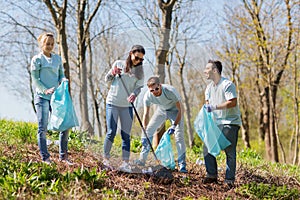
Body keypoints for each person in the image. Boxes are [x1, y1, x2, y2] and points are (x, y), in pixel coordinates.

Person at [31, 32, 72, 165]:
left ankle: (63, 157)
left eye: (52, 44)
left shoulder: (57, 59)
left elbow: (60, 74)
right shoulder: (37, 60)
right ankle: (45, 157)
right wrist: (45, 90)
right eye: (47, 44)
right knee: (42, 127)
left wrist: (63, 79)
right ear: (42, 44)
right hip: (42, 97)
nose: (49, 46)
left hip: (56, 97)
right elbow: (35, 80)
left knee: (64, 125)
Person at [103, 45, 145, 172]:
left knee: (126, 134)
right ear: (131, 53)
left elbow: (138, 88)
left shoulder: (140, 72)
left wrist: (134, 94)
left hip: (127, 106)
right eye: (137, 58)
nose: (138, 61)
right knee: (111, 131)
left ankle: (125, 162)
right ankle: (106, 159)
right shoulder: (119, 64)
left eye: (141, 60)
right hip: (113, 102)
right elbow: (107, 80)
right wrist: (112, 73)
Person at [136, 76, 188, 173]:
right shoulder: (147, 96)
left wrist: (174, 125)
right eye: (152, 90)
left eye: (156, 89)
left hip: (175, 111)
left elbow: (181, 109)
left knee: (179, 137)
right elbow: (146, 114)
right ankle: (142, 160)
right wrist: (144, 132)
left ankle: (182, 165)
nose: (155, 91)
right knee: (149, 131)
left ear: (160, 85)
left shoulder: (170, 91)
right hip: (162, 111)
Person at [202, 60, 241, 188]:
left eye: (207, 68)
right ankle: (211, 175)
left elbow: (232, 102)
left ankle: (229, 180)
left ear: (215, 71)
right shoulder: (208, 88)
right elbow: (208, 104)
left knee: (229, 151)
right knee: (207, 147)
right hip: (216, 123)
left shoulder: (227, 84)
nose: (204, 71)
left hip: (230, 122)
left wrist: (214, 107)